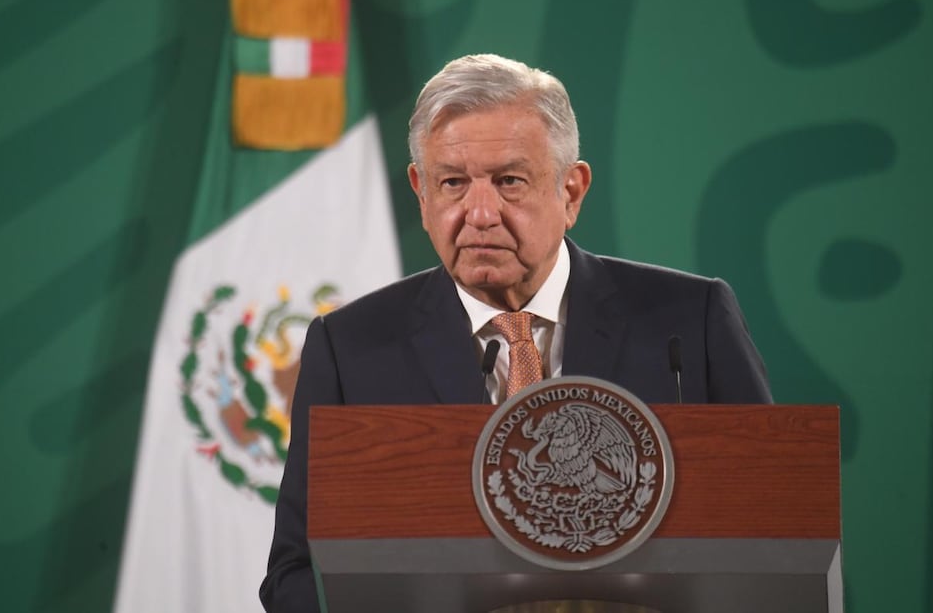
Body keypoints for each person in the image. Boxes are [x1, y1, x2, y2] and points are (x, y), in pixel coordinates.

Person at [259, 53, 771, 612]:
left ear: (570, 192)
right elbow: (295, 574)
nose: (479, 213)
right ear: (421, 194)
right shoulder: (351, 348)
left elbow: (777, 535)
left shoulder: (688, 323)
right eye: (453, 183)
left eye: (509, 181)